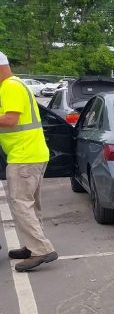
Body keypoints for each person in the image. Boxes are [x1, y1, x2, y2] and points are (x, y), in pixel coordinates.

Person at [0, 51, 58, 271]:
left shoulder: (10, 87)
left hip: (23, 156)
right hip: (32, 153)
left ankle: (41, 250)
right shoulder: (15, 85)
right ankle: (32, 246)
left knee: (21, 204)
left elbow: (10, 119)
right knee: (31, 205)